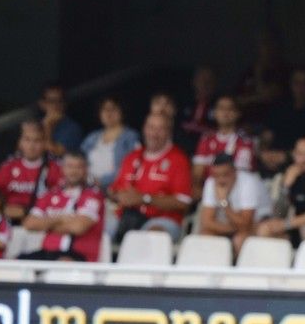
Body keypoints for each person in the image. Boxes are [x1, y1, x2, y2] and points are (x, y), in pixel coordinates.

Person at [108, 112, 193, 242]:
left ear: (169, 132)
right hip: (125, 217)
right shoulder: (132, 157)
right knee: (98, 227)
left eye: (160, 129)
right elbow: (113, 191)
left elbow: (183, 202)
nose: (154, 133)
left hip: (162, 220)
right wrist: (120, 196)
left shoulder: (179, 160)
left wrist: (144, 199)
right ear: (144, 129)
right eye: (151, 127)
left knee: (153, 235)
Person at [20, 150, 105, 263]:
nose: (73, 171)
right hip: (47, 253)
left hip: (79, 256)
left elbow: (78, 227)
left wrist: (46, 224)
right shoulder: (51, 194)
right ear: (63, 168)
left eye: (79, 167)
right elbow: (29, 224)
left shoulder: (93, 195)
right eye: (70, 166)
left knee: (62, 264)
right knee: (15, 263)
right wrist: (61, 218)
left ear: (86, 169)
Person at [0, 120, 62, 224]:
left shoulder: (55, 168)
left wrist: (26, 212)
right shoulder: (8, 167)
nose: (31, 146)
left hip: (41, 223)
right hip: (10, 223)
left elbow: (60, 202)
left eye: (37, 141)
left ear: (45, 143)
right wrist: (3, 208)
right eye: (27, 140)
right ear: (20, 143)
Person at [198, 153, 269, 256]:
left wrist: (224, 203)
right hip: (232, 225)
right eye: (217, 175)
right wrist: (233, 228)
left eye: (225, 175)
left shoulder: (248, 183)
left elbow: (246, 223)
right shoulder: (211, 182)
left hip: (259, 223)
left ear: (235, 172)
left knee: (239, 239)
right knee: (205, 235)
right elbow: (207, 222)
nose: (221, 180)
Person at [192, 95, 256, 191]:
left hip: (236, 195)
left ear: (237, 113)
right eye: (221, 108)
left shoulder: (245, 142)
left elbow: (239, 177)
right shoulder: (206, 139)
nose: (225, 112)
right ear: (215, 113)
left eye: (230, 109)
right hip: (208, 193)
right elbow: (197, 174)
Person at [80, 96, 140, 190]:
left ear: (122, 112)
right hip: (88, 189)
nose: (108, 113)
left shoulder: (131, 137)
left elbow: (134, 167)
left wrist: (102, 181)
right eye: (104, 109)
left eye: (113, 109)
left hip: (115, 190)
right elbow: (78, 158)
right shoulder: (92, 137)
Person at [37, 82, 83, 156]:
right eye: (51, 101)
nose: (56, 105)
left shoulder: (72, 128)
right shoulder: (35, 125)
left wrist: (48, 125)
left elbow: (55, 153)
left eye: (60, 101)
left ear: (65, 104)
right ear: (42, 104)